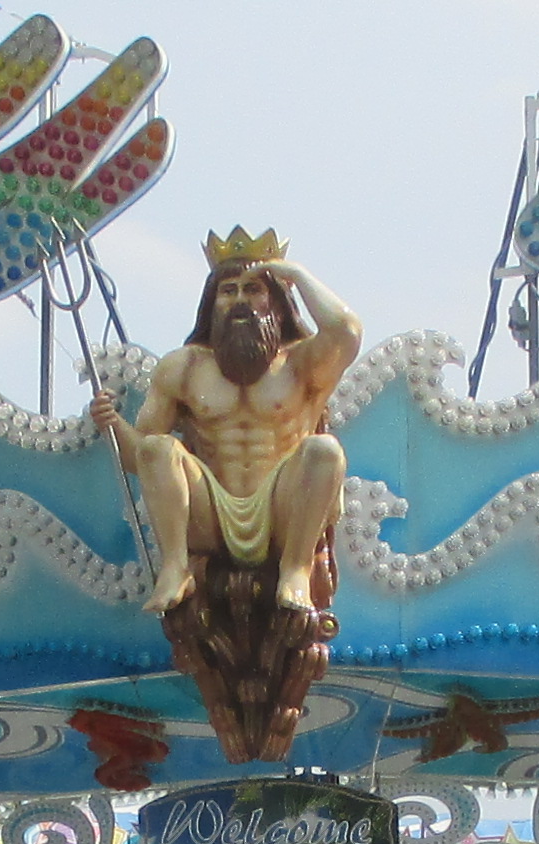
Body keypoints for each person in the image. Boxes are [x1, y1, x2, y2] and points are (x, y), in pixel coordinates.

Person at [110, 237, 359, 621]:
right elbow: (142, 459)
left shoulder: (301, 364)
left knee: (324, 450)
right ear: (212, 304)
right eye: (228, 291)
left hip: (282, 512)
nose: (240, 300)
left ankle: (296, 569)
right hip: (209, 514)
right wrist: (112, 425)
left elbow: (346, 330)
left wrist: (296, 275)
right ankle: (175, 566)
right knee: (159, 447)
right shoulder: (183, 367)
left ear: (276, 302)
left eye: (253, 289)